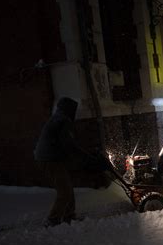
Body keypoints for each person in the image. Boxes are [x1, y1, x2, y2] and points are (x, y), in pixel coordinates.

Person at [34, 97, 109, 227]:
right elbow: (70, 145)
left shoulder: (58, 118)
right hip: (50, 160)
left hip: (50, 158)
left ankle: (69, 216)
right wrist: (89, 159)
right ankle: (53, 220)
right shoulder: (62, 121)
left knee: (68, 187)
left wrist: (87, 155)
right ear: (69, 110)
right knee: (65, 191)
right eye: (74, 110)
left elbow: (69, 144)